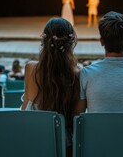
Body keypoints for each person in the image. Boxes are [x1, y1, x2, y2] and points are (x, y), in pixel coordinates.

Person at [21, 17, 85, 155]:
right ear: (71, 42)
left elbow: (25, 108)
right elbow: (77, 116)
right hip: (65, 146)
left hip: (34, 142)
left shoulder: (31, 68)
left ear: (44, 41)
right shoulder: (79, 74)